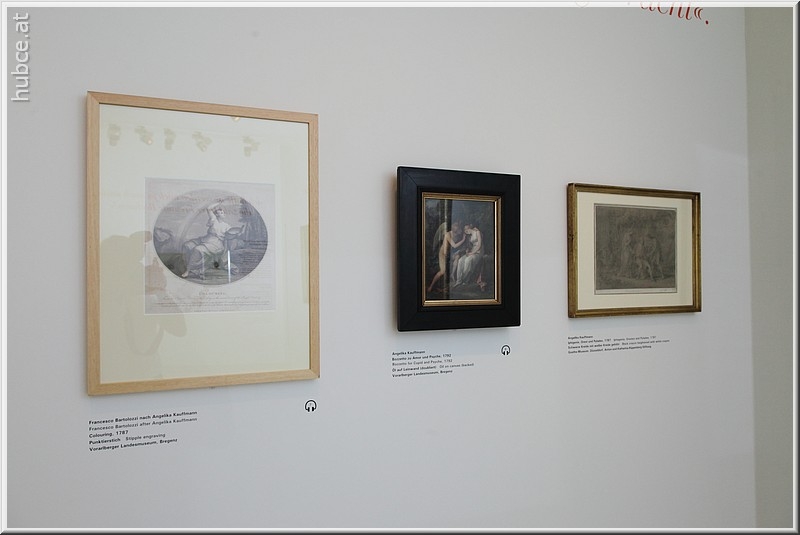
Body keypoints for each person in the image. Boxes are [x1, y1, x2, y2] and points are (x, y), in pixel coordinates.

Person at [181, 200, 239, 280]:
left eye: (223, 213)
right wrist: (218, 202)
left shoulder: (227, 226)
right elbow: (208, 208)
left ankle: (189, 270)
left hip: (216, 245)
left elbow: (231, 236)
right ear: (216, 215)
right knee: (188, 245)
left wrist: (235, 235)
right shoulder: (213, 220)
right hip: (205, 240)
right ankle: (192, 270)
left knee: (197, 249)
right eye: (220, 213)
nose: (223, 214)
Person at [427, 220, 466, 293]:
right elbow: (454, 246)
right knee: (443, 271)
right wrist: (463, 239)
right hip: (442, 254)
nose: (460, 231)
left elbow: (454, 248)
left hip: (448, 254)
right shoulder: (448, 234)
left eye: (460, 229)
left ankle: (451, 277)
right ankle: (431, 286)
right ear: (455, 229)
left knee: (457, 258)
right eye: (459, 229)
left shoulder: (457, 235)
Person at [452, 222, 484, 288]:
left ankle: (464, 279)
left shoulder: (477, 232)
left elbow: (479, 245)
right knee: (460, 260)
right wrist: (468, 251)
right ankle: (458, 281)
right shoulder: (469, 236)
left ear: (469, 227)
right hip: (472, 250)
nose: (466, 231)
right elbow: (469, 246)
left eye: (466, 229)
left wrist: (472, 253)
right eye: (465, 230)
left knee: (468, 260)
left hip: (479, 251)